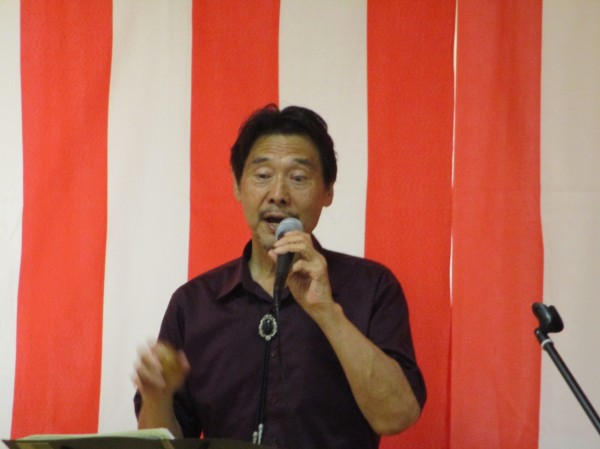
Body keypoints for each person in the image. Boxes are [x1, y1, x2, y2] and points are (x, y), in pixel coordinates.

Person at [133, 104, 426, 449]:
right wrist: (157, 397)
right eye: (262, 175)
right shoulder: (193, 304)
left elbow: (397, 417)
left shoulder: (371, 288)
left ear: (328, 191)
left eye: (298, 178)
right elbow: (166, 444)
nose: (278, 194)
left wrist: (327, 312)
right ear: (237, 186)